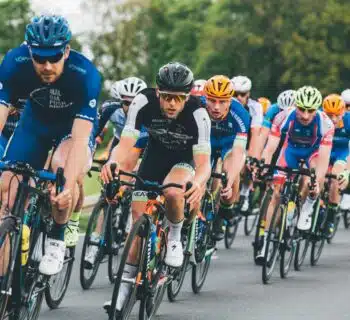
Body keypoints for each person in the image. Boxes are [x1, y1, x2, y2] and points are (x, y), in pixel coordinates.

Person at [101, 62, 211, 313]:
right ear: (158, 93)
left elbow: (204, 163)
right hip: (154, 158)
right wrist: (113, 162)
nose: (172, 104)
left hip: (184, 161)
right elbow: (126, 140)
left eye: (178, 99)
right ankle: (124, 291)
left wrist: (199, 181)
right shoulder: (143, 102)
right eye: (167, 97)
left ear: (187, 97)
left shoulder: (198, 114)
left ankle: (174, 235)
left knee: (173, 190)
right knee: (137, 222)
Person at [0, 15, 101, 275]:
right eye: (40, 58)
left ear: (66, 51)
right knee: (7, 198)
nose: (47, 66)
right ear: (29, 50)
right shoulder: (14, 62)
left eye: (54, 58)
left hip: (71, 131)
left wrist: (67, 186)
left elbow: (80, 142)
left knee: (62, 173)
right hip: (34, 126)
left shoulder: (85, 75)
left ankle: (56, 237)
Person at [257, 86, 334, 261]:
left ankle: (307, 207)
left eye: (310, 111)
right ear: (295, 105)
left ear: (317, 109)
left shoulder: (325, 123)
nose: (305, 115)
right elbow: (270, 147)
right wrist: (264, 164)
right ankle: (266, 239)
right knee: (276, 192)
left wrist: (317, 182)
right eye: (301, 109)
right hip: (290, 151)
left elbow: (323, 161)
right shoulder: (283, 116)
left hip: (312, 154)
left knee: (311, 181)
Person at [202, 75, 250, 240]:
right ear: (205, 98)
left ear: (230, 101)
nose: (216, 107)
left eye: (222, 102)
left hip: (229, 144)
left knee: (231, 173)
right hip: (206, 141)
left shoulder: (241, 114)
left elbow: (238, 152)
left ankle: (224, 210)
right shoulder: (198, 106)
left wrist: (229, 182)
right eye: (212, 100)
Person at [231, 75, 263, 211]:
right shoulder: (225, 103)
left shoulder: (255, 107)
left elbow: (255, 134)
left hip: (248, 137)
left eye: (242, 94)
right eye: (235, 94)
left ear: (248, 94)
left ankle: (244, 192)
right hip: (231, 136)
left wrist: (252, 158)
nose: (238, 98)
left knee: (249, 164)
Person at [322, 94, 350, 224]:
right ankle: (318, 205)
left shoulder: (349, 120)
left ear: (343, 112)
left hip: (342, 152)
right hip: (326, 150)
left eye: (337, 115)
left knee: (334, 179)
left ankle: (332, 214)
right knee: (319, 178)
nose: (333, 119)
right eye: (329, 115)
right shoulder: (320, 119)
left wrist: (347, 171)